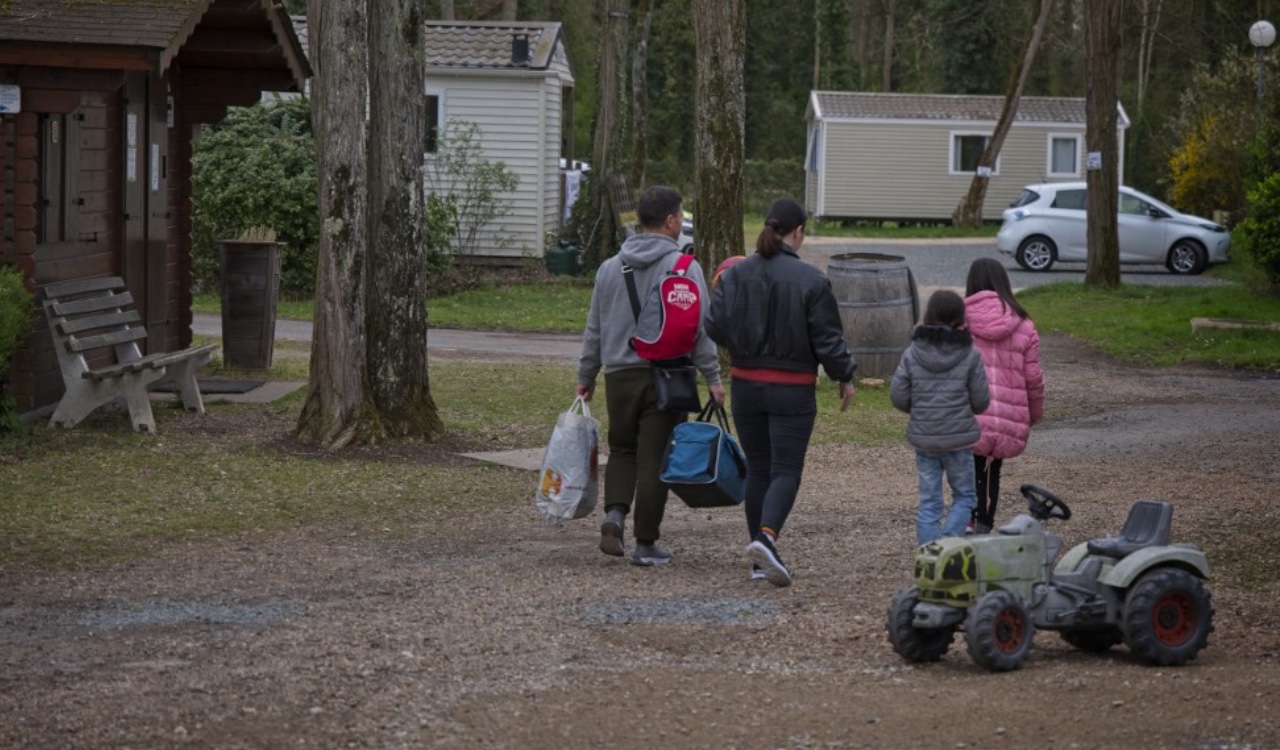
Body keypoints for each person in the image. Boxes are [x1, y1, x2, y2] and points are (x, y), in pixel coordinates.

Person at [707, 198, 856, 587]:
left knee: (758, 468)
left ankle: (759, 559)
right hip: (792, 388)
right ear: (798, 232)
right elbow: (828, 339)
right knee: (786, 469)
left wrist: (741, 344)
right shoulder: (812, 280)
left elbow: (713, 325)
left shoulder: (735, 275)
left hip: (745, 384)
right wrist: (845, 376)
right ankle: (767, 539)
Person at [577, 186, 725, 566]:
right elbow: (700, 330)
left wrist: (587, 373)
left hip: (619, 376)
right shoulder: (685, 267)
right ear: (671, 220)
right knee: (656, 459)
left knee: (623, 449)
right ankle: (645, 543)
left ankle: (614, 515)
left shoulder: (609, 267)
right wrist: (712, 375)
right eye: (680, 215)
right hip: (668, 377)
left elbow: (594, 326)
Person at [890, 290, 990, 546]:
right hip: (959, 441)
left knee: (930, 501)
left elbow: (898, 396)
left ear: (929, 314)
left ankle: (927, 552)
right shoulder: (971, 354)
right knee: (966, 496)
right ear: (960, 317)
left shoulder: (913, 352)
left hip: (925, 440)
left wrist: (921, 410)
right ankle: (945, 546)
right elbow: (980, 402)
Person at [964, 257, 1045, 533]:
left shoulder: (959, 322)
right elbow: (1033, 378)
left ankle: (967, 521)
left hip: (969, 413)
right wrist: (1033, 414)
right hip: (1006, 416)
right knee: (990, 470)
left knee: (966, 468)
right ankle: (983, 525)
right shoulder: (1024, 324)